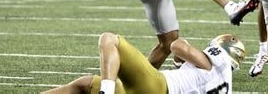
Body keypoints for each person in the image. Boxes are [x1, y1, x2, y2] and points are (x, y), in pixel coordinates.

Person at [42, 32, 245, 94]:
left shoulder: (216, 63)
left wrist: (186, 45)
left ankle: (106, 92)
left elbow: (177, 46)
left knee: (109, 40)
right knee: (84, 85)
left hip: (157, 86)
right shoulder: (221, 82)